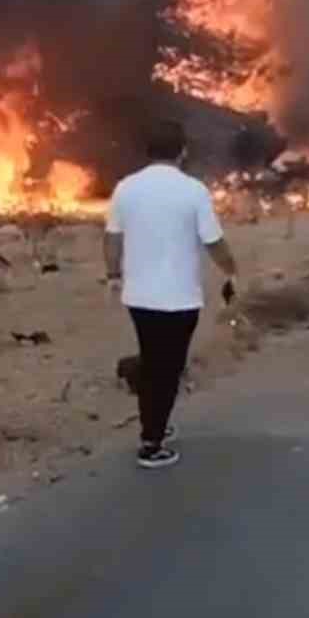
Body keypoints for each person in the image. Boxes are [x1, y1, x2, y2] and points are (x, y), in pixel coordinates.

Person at [104, 119, 237, 470]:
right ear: (182, 152)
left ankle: (154, 413)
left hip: (139, 296)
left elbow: (112, 237)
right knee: (168, 368)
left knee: (156, 359)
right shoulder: (193, 191)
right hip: (180, 298)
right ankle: (151, 443)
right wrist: (232, 270)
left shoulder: (125, 188)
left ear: (147, 152)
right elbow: (213, 241)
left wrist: (113, 274)